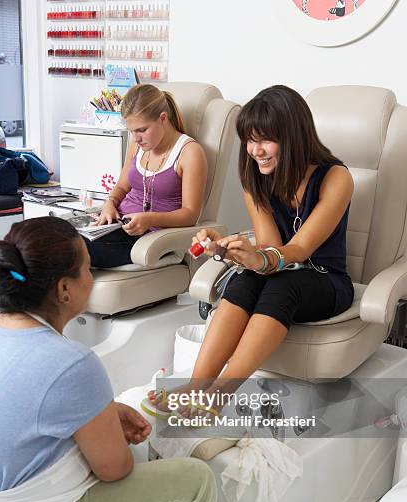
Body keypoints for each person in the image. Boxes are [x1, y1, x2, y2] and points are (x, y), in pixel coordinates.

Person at [0, 217, 217, 502]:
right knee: (195, 484)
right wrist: (108, 425)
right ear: (65, 289)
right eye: (87, 270)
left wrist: (104, 410)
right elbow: (114, 470)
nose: (92, 278)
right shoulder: (71, 364)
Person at [147, 84, 354, 416]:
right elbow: (271, 247)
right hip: (282, 271)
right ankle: (197, 386)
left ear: (294, 137)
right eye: (249, 140)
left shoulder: (335, 177)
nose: (255, 150)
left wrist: (260, 258)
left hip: (325, 280)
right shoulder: (256, 178)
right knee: (244, 280)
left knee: (283, 285)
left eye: (265, 140)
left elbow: (299, 248)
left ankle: (220, 393)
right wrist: (234, 253)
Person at [88, 84, 208, 268]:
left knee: (75, 249)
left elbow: (190, 215)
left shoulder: (189, 152)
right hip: (117, 223)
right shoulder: (137, 145)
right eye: (131, 131)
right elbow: (121, 187)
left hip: (150, 236)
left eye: (142, 130)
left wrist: (149, 219)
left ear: (163, 118)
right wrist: (109, 204)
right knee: (49, 234)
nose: (135, 138)